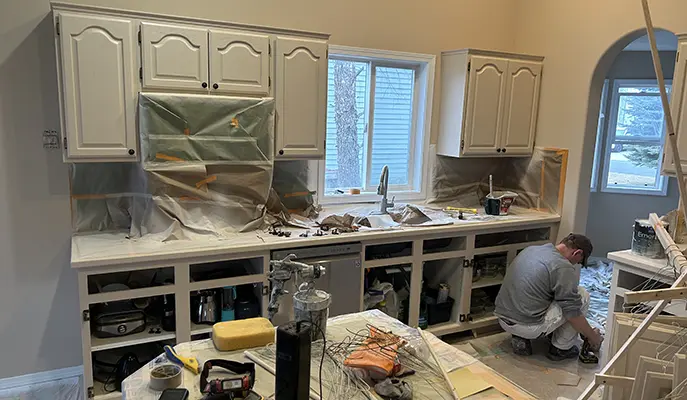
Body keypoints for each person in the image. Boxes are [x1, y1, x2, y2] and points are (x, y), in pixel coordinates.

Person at [494, 233, 603, 361]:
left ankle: (520, 339)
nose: (575, 265)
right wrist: (592, 337)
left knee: (546, 293)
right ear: (577, 253)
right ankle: (561, 349)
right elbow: (573, 313)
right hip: (527, 326)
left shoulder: (532, 250)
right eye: (578, 262)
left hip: (503, 319)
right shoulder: (562, 266)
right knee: (582, 295)